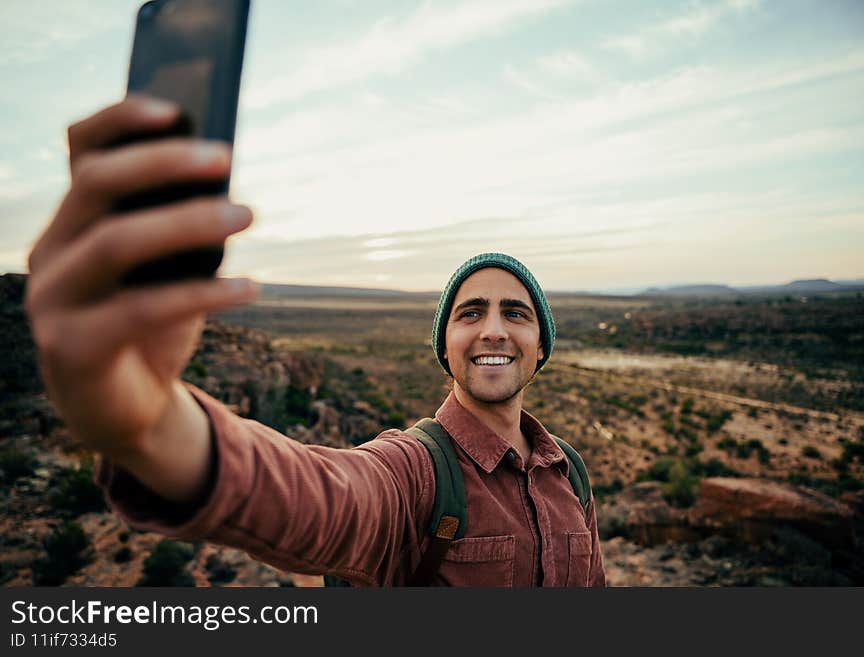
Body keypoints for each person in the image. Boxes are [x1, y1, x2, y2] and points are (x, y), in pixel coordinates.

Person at [25, 97, 605, 586]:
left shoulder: (569, 475)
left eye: (518, 314)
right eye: (470, 313)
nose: (494, 329)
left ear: (540, 344)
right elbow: (319, 498)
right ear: (446, 347)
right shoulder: (418, 475)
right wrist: (151, 424)